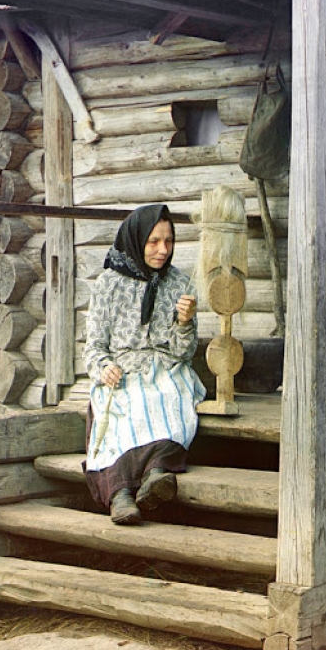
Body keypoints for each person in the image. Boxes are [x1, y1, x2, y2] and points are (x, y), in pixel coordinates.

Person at [82, 204, 206, 525]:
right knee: (124, 406)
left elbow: (183, 353)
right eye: (153, 241)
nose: (163, 250)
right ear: (137, 239)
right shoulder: (108, 284)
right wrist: (104, 367)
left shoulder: (179, 284)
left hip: (165, 368)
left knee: (168, 395)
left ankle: (156, 476)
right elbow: (94, 347)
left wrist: (184, 323)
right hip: (121, 372)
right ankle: (120, 495)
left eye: (168, 241)